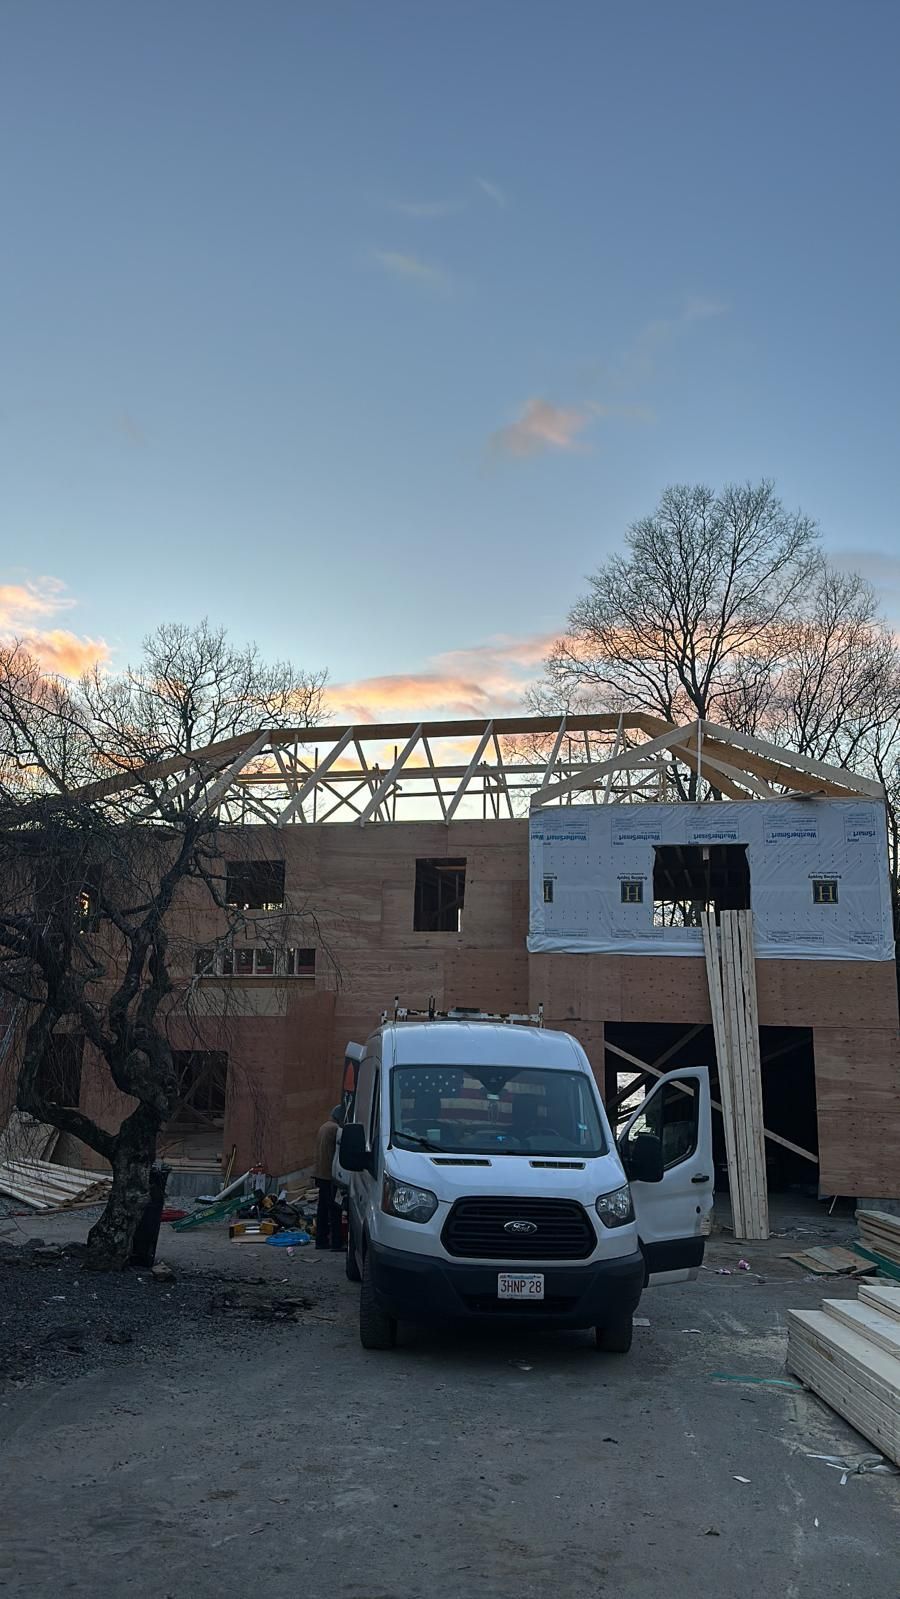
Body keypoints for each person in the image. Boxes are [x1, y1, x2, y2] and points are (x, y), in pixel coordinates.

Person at [314, 1104, 344, 1251]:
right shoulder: (335, 1130)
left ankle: (321, 1240)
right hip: (329, 1175)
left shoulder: (324, 1127)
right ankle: (336, 1243)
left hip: (320, 1173)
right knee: (335, 1209)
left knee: (322, 1209)